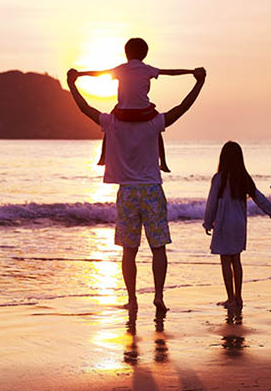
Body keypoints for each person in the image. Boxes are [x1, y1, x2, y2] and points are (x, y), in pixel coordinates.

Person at [66, 65, 207, 313]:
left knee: (129, 251)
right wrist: (198, 82)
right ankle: (159, 296)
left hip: (128, 192)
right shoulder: (154, 122)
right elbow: (182, 108)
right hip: (151, 189)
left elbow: (84, 108)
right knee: (158, 248)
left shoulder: (112, 122)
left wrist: (73, 83)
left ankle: (132, 299)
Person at [71, 38, 199, 172]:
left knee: (108, 128)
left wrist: (80, 74)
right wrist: (191, 72)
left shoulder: (121, 69)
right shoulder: (147, 69)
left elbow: (99, 73)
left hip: (123, 111)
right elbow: (171, 72)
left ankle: (103, 157)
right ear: (145, 54)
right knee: (157, 131)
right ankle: (164, 162)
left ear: (126, 53)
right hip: (144, 111)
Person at [203, 141, 271, 310]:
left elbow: (211, 202)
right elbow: (259, 198)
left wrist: (208, 222)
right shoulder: (243, 177)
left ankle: (230, 298)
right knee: (236, 260)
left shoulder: (219, 178)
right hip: (239, 224)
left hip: (223, 222)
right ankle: (239, 297)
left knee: (225, 260)